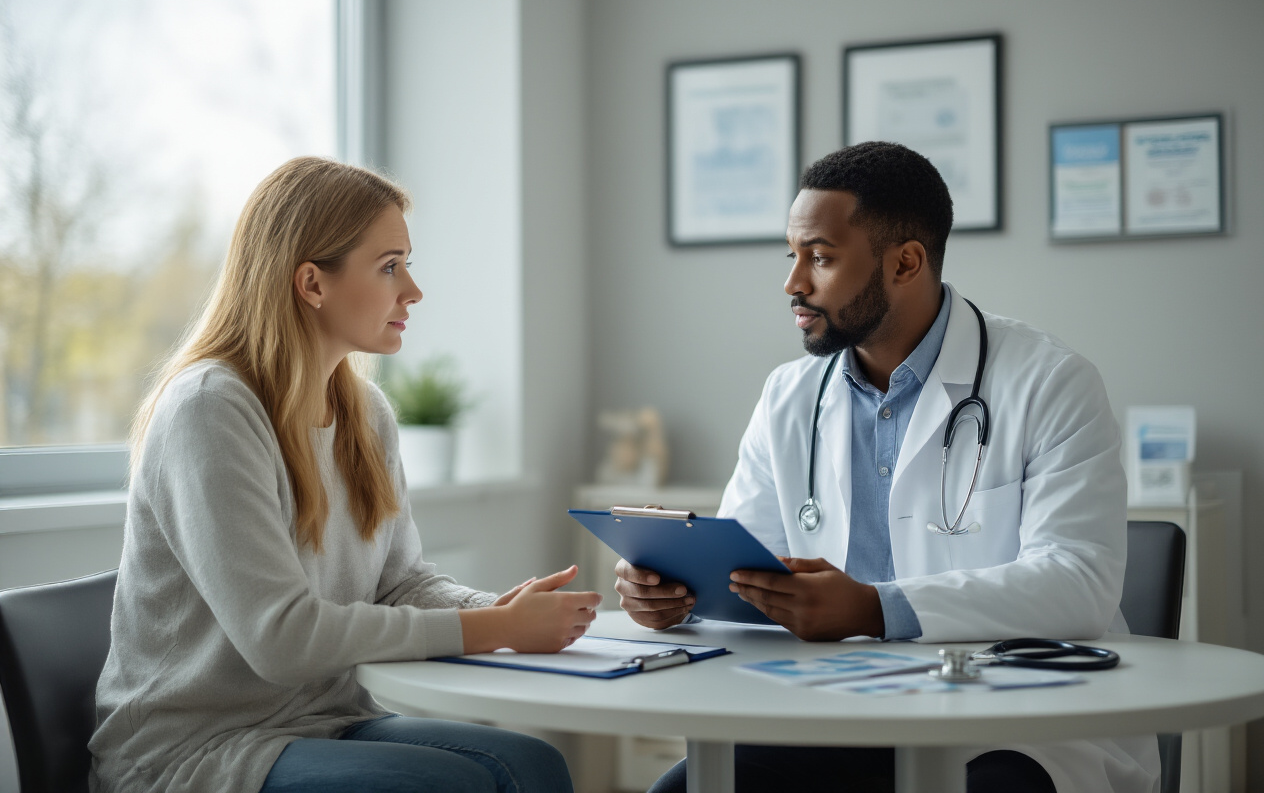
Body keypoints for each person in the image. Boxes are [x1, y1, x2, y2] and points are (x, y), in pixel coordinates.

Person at [615, 142, 1160, 793]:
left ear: (905, 262)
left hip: (1013, 719)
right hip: (835, 711)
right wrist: (677, 592)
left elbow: (1079, 584)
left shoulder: (1050, 381)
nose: (793, 282)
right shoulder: (790, 394)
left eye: (820, 257)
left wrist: (877, 609)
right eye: (793, 256)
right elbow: (749, 568)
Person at [90, 156, 601, 793]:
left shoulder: (366, 412)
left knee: (534, 764)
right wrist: (495, 630)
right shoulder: (209, 410)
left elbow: (401, 581)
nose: (412, 290)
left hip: (323, 720)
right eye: (390, 267)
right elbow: (281, 638)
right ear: (312, 283)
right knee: (453, 787)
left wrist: (498, 608)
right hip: (194, 750)